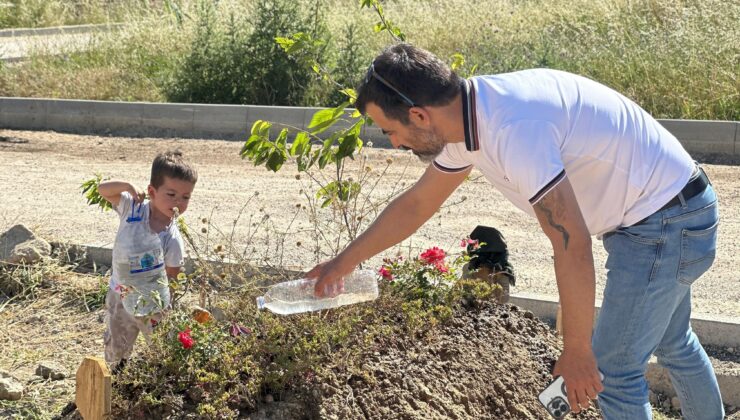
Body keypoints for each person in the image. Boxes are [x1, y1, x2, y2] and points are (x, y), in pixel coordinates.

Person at [307, 43, 723, 419]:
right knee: (675, 343)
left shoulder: (513, 130)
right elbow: (417, 204)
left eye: (390, 131)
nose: (395, 143)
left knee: (612, 374)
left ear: (418, 114)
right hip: (675, 208)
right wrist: (342, 264)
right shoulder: (466, 118)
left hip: (663, 226)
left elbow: (571, 243)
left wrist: (577, 351)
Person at [98, 150, 197, 367]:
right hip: (120, 293)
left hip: (152, 304)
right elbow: (102, 189)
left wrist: (162, 307)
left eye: (185, 197)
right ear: (152, 191)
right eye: (171, 195)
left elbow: (172, 277)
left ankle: (159, 379)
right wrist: (127, 187)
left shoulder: (171, 239)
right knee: (116, 345)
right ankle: (115, 381)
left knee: (162, 347)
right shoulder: (132, 208)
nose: (178, 202)